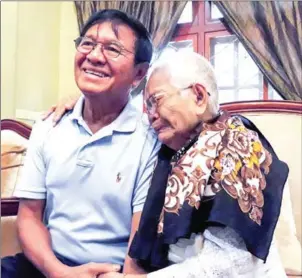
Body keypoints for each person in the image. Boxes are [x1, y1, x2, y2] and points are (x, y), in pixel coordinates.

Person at [49, 51, 289, 278]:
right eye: (147, 107)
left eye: (156, 101)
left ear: (198, 96)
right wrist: (83, 104)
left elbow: (229, 265)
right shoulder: (171, 147)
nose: (151, 114)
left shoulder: (239, 143)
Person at [1, 9, 160, 278]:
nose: (94, 56)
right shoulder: (48, 126)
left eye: (113, 49)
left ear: (139, 73)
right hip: (49, 265)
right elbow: (28, 216)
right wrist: (57, 271)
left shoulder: (151, 139)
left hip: (111, 271)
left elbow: (140, 237)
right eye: (87, 43)